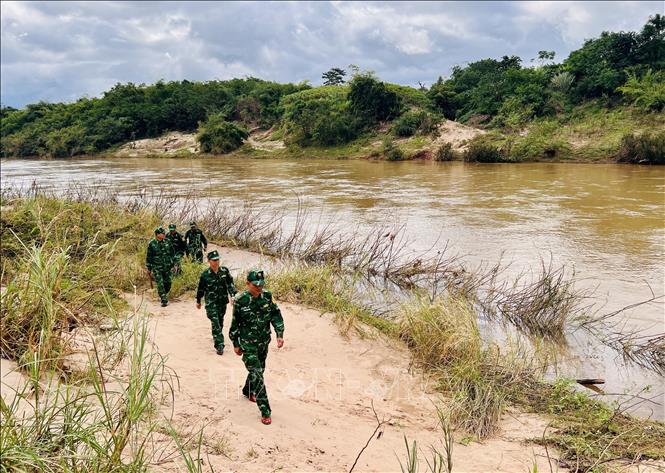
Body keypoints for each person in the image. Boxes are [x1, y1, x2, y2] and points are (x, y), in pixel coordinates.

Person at [230, 270, 284, 425]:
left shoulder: (267, 296)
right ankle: (265, 410)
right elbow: (235, 323)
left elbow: (276, 315)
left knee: (259, 370)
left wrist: (279, 334)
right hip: (248, 345)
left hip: (263, 343)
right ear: (248, 284)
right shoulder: (241, 300)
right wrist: (235, 343)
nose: (259, 287)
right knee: (257, 374)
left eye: (261, 284)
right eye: (256, 285)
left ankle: (248, 390)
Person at [196, 250, 237, 355]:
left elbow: (230, 284)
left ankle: (217, 336)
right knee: (215, 322)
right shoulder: (205, 275)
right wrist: (198, 301)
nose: (216, 262)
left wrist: (233, 295)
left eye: (217, 260)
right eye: (214, 260)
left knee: (220, 321)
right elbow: (201, 289)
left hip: (222, 302)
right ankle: (219, 345)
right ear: (209, 261)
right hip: (211, 303)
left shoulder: (224, 271)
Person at [146, 226, 175, 307]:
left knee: (168, 283)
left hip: (167, 267)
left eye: (164, 233)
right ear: (157, 234)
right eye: (162, 233)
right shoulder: (152, 244)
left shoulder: (168, 241)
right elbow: (149, 257)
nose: (164, 234)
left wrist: (173, 263)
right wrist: (149, 268)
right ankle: (164, 299)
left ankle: (163, 294)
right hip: (157, 267)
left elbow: (172, 253)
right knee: (160, 283)